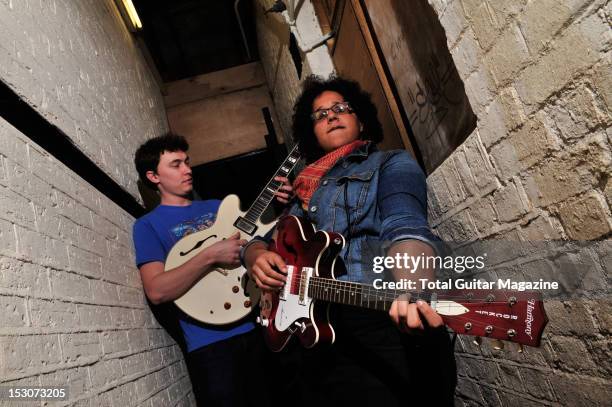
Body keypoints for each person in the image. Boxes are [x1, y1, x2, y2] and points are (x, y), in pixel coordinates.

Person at [242, 76, 457, 406]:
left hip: (377, 320)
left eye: (341, 108)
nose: (331, 115)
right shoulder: (303, 191)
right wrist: (254, 254)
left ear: (360, 119)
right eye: (320, 114)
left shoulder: (391, 162)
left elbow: (405, 227)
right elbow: (270, 242)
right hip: (316, 337)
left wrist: (413, 289)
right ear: (311, 131)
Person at [132, 133, 292, 406]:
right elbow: (156, 290)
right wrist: (209, 255)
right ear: (153, 176)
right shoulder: (147, 225)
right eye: (176, 164)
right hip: (209, 348)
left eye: (187, 162)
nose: (187, 169)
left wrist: (280, 205)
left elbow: (260, 244)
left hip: (257, 328)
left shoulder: (218, 207)